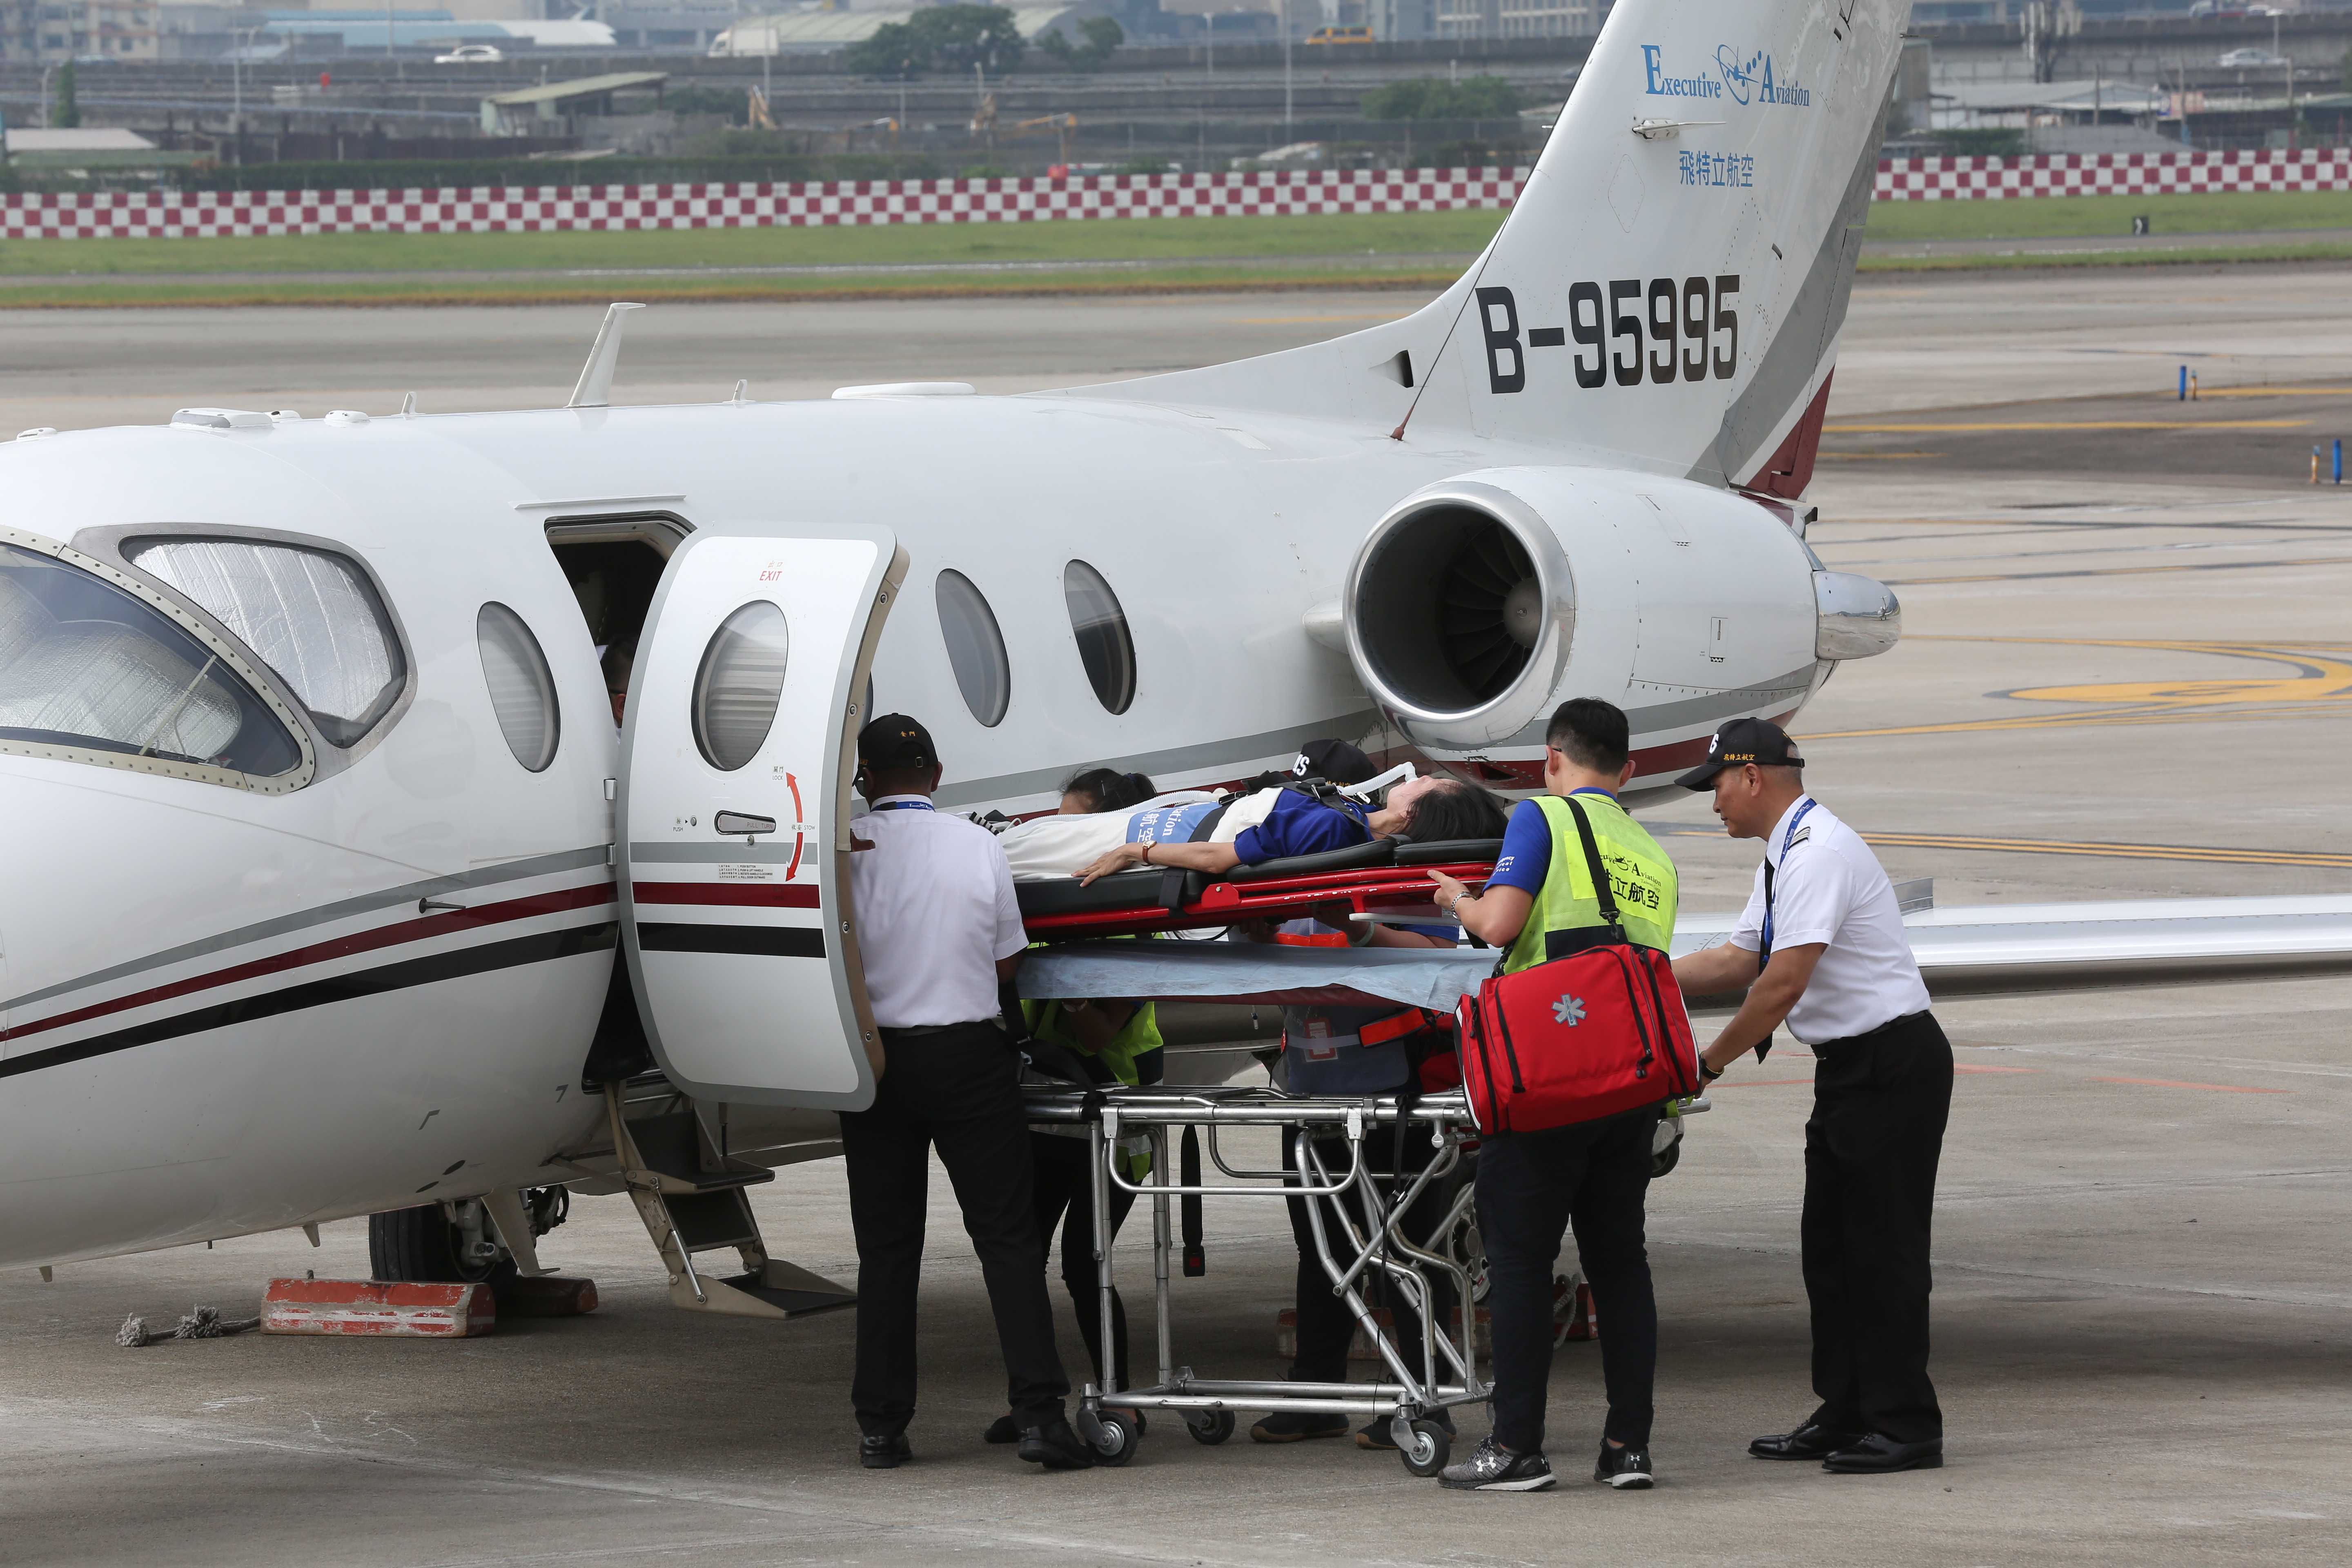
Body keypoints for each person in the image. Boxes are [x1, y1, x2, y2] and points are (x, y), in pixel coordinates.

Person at [1668, 718, 1949, 1476]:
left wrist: (1708, 1064)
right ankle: (1849, 1410)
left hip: (1890, 1063)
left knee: (1883, 1252)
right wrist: (1640, 973)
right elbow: (1738, 958)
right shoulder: (1785, 851)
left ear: (1752, 776)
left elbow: (1781, 985)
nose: (1713, 801)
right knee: (1831, 1252)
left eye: (1717, 785)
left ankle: (1906, 1425)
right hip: (1852, 1070)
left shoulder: (1817, 852)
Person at [1421, 697, 1680, 1494]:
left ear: (1552, 758)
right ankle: (1628, 1449)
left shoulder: (1543, 817)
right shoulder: (1653, 852)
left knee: (1522, 1263)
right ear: (1630, 771)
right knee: (1621, 1265)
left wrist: (1454, 901)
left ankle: (1517, 1449)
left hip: (1550, 1078)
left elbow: (1501, 926)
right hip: (1631, 1083)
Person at [838, 713, 1096, 1473]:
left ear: (866, 779)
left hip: (875, 1061)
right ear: (938, 776)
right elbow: (1010, 964)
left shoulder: (844, 849)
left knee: (887, 1251)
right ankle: (1041, 1417)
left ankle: (882, 1428)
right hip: (967, 1057)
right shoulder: (979, 844)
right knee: (1008, 1242)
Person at [982, 767, 1166, 1446]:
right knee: (1018, 1260)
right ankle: (1035, 1398)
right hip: (1046, 1116)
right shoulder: (1050, 914)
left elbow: (1095, 1035)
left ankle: (1121, 1397)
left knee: (1083, 1265)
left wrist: (1073, 986)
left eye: (1071, 825)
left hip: (1109, 1125)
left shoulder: (1122, 927)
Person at [1245, 912, 1466, 1451]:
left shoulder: (1389, 872)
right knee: (1322, 1250)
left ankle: (1424, 1395)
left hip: (1395, 1089)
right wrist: (1251, 924)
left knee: (1404, 1248)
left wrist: (1363, 926)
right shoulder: (1284, 873)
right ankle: (1316, 1396)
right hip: (1310, 1087)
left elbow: (1440, 944)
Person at [1072, 771, 1506, 886]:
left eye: (1429, 783)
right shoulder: (1350, 816)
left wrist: (1134, 851)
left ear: (1414, 814)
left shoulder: (1333, 829)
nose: (1420, 777)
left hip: (1135, 839)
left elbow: (1217, 858)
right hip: (1148, 828)